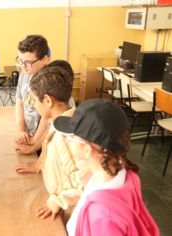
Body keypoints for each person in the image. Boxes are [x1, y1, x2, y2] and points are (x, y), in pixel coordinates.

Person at [54, 99, 159, 236]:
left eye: (70, 137)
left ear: (87, 149)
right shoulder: (122, 173)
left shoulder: (103, 217)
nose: (66, 139)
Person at [16, 65, 89, 220]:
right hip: (62, 203)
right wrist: (40, 164)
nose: (34, 105)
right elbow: (53, 153)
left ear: (48, 100)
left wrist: (56, 201)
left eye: (35, 100)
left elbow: (85, 181)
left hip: (70, 211)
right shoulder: (59, 121)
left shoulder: (67, 135)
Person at [15, 35, 75, 154]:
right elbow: (19, 103)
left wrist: (34, 141)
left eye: (28, 62)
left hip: (43, 140)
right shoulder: (24, 73)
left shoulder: (50, 81)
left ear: (45, 59)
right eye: (20, 60)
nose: (23, 66)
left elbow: (47, 118)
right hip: (30, 136)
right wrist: (21, 130)